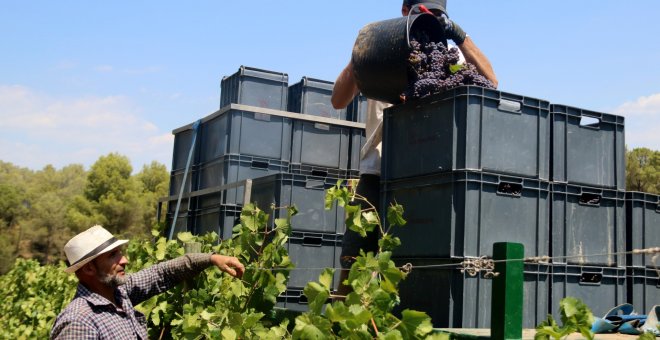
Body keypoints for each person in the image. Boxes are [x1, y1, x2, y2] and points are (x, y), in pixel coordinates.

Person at [331, 0, 498, 297]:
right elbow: (338, 100)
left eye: (436, 14)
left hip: (426, 172)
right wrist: (359, 56)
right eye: (422, 11)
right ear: (404, 11)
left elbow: (491, 81)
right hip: (377, 170)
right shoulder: (380, 49)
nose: (428, 18)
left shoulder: (448, 55)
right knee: (354, 260)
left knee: (414, 259)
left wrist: (459, 35)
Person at [51, 225, 245, 339]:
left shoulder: (120, 293)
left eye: (120, 253)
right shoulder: (79, 321)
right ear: (88, 269)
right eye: (113, 256)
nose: (124, 260)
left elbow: (162, 273)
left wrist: (211, 259)